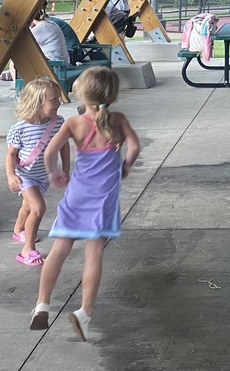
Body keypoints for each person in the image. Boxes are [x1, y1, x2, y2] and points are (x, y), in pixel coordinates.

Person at [30, 67, 140, 342]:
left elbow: (50, 151)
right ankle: (84, 313)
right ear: (113, 95)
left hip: (76, 196)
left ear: (81, 93)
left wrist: (55, 172)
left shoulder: (73, 123)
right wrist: (125, 165)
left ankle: (42, 304)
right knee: (93, 255)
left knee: (60, 249)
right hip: (103, 200)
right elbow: (135, 147)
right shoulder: (118, 119)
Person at [6, 78, 69, 267]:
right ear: (37, 103)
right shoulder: (20, 128)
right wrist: (11, 175)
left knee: (27, 207)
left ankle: (19, 230)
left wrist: (65, 168)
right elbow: (11, 155)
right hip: (25, 175)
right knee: (38, 208)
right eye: (53, 100)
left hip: (43, 175)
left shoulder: (58, 123)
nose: (58, 103)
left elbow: (64, 146)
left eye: (58, 98)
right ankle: (28, 249)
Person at [1, 3, 69, 81]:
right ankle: (14, 77)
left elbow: (19, 45)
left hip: (53, 67)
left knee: (15, 59)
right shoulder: (50, 24)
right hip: (59, 65)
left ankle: (18, 86)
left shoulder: (41, 28)